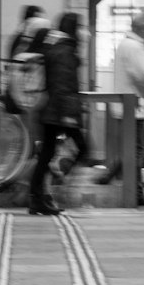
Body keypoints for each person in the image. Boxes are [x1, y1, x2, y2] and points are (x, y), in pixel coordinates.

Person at [28, 11, 90, 215]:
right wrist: (69, 116)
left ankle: (40, 195)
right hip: (58, 111)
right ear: (74, 29)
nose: (83, 32)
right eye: (80, 27)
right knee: (80, 148)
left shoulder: (58, 47)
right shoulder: (64, 51)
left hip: (54, 110)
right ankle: (46, 189)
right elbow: (63, 86)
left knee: (48, 153)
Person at [105, 12, 144, 207]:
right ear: (142, 28)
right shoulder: (134, 47)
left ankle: (128, 185)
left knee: (135, 150)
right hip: (136, 106)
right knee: (138, 151)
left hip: (132, 106)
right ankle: (134, 193)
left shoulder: (126, 44)